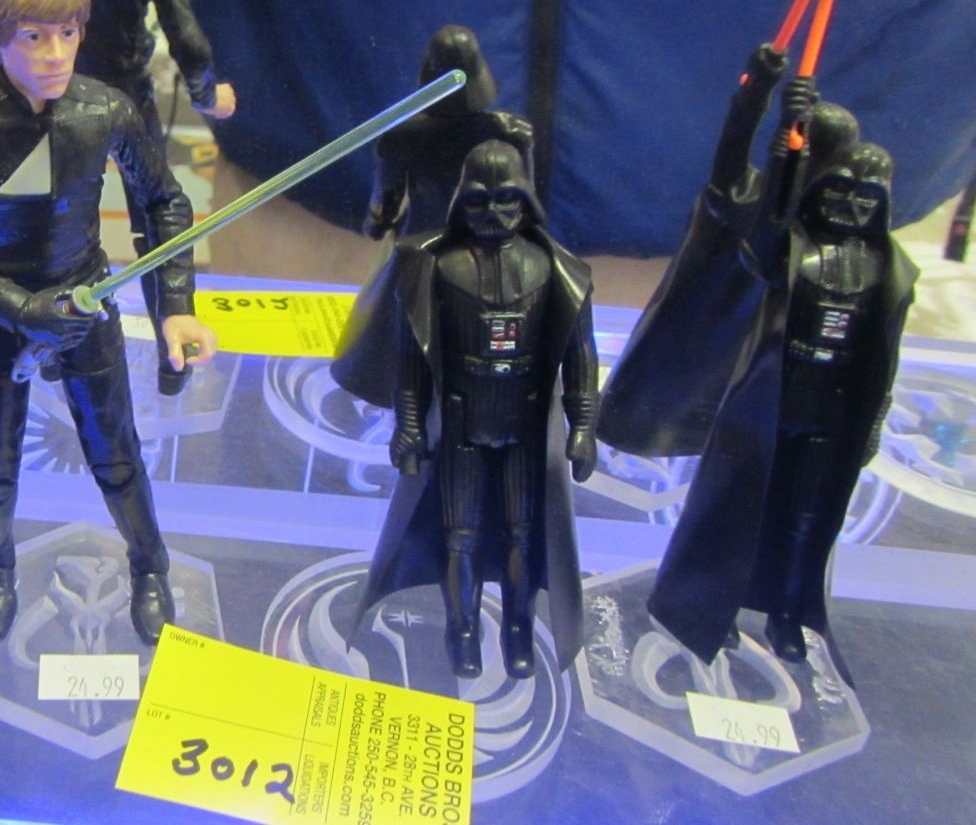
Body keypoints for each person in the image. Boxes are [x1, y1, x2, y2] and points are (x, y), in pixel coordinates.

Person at [0, 0, 217, 645]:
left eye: (69, 32)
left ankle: (150, 566)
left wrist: (176, 307)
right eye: (33, 36)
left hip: (85, 302)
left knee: (117, 453)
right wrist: (20, 310)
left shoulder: (104, 111)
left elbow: (164, 202)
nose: (55, 54)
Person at [648, 97, 916, 675]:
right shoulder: (791, 246)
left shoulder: (890, 270)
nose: (849, 207)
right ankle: (711, 610)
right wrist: (782, 153)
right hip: (770, 398)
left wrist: (873, 420)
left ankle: (787, 613)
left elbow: (887, 352)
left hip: (832, 408)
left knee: (806, 519)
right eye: (838, 191)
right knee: (739, 512)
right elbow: (760, 235)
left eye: (865, 198)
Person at [333, 140, 597, 679]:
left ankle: (519, 628)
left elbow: (580, 354)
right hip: (460, 423)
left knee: (525, 535)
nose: (494, 214)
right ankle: (464, 631)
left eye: (506, 199)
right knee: (460, 539)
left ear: (525, 200)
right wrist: (409, 425)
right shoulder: (434, 267)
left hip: (524, 423)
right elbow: (412, 357)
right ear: (460, 201)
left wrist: (584, 424)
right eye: (479, 201)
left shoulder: (556, 270)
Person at [31, 0, 236, 394]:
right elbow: (185, 34)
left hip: (62, 92)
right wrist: (206, 93)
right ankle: (174, 349)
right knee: (158, 213)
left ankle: (53, 343)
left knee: (57, 218)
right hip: (122, 93)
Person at [598, 47, 861, 456]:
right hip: (686, 355)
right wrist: (757, 90)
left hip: (748, 382)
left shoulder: (820, 237)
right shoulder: (747, 198)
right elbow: (738, 154)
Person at [363, 25, 533, 241]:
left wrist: (378, 225)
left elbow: (385, 205)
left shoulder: (398, 138)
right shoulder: (511, 132)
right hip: (488, 237)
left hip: (424, 237)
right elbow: (525, 203)